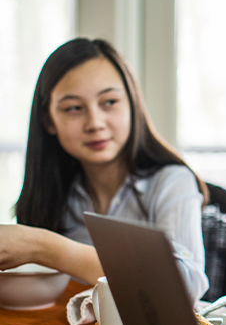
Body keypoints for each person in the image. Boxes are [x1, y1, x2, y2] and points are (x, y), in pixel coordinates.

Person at [0, 38, 209, 301]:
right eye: (74, 108)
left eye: (109, 102)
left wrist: (44, 247)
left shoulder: (171, 182)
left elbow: (182, 287)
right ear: (49, 122)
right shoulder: (52, 193)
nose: (95, 123)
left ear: (132, 104)